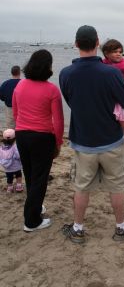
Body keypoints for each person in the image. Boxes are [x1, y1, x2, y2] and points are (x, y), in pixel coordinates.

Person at [59, 25, 124, 244]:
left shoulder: (66, 74)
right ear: (97, 43)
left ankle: (78, 229)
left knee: (81, 188)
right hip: (111, 140)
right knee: (117, 186)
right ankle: (120, 228)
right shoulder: (111, 72)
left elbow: (72, 102)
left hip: (83, 142)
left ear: (76, 44)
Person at [12, 50, 64, 232]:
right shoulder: (52, 90)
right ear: (47, 68)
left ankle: (36, 206)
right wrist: (58, 143)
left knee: (30, 175)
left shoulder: (19, 86)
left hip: (22, 135)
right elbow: (58, 121)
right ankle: (31, 221)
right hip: (42, 137)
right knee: (40, 178)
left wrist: (21, 129)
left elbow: (15, 113)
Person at [101, 39, 124, 154]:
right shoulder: (102, 64)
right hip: (107, 96)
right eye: (115, 51)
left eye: (120, 52)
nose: (118, 54)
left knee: (123, 117)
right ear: (106, 53)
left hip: (120, 97)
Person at [0, 128, 23, 193]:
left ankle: (10, 188)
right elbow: (18, 156)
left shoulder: (1, 148)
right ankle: (19, 186)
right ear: (15, 139)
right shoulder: (15, 147)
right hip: (16, 167)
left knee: (9, 177)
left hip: (7, 168)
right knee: (18, 175)